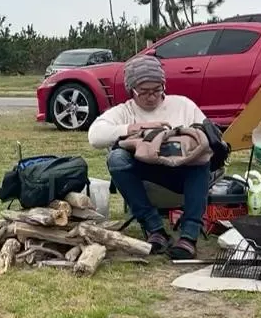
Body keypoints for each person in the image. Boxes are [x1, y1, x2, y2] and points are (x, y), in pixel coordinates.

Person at [87, 54, 213, 259]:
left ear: (164, 85)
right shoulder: (125, 111)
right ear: (131, 90)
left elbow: (208, 135)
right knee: (117, 158)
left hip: (183, 173)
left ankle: (189, 236)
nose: (152, 97)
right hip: (147, 174)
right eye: (144, 92)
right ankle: (155, 229)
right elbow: (95, 136)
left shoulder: (183, 105)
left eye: (157, 90)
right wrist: (135, 128)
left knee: (202, 156)